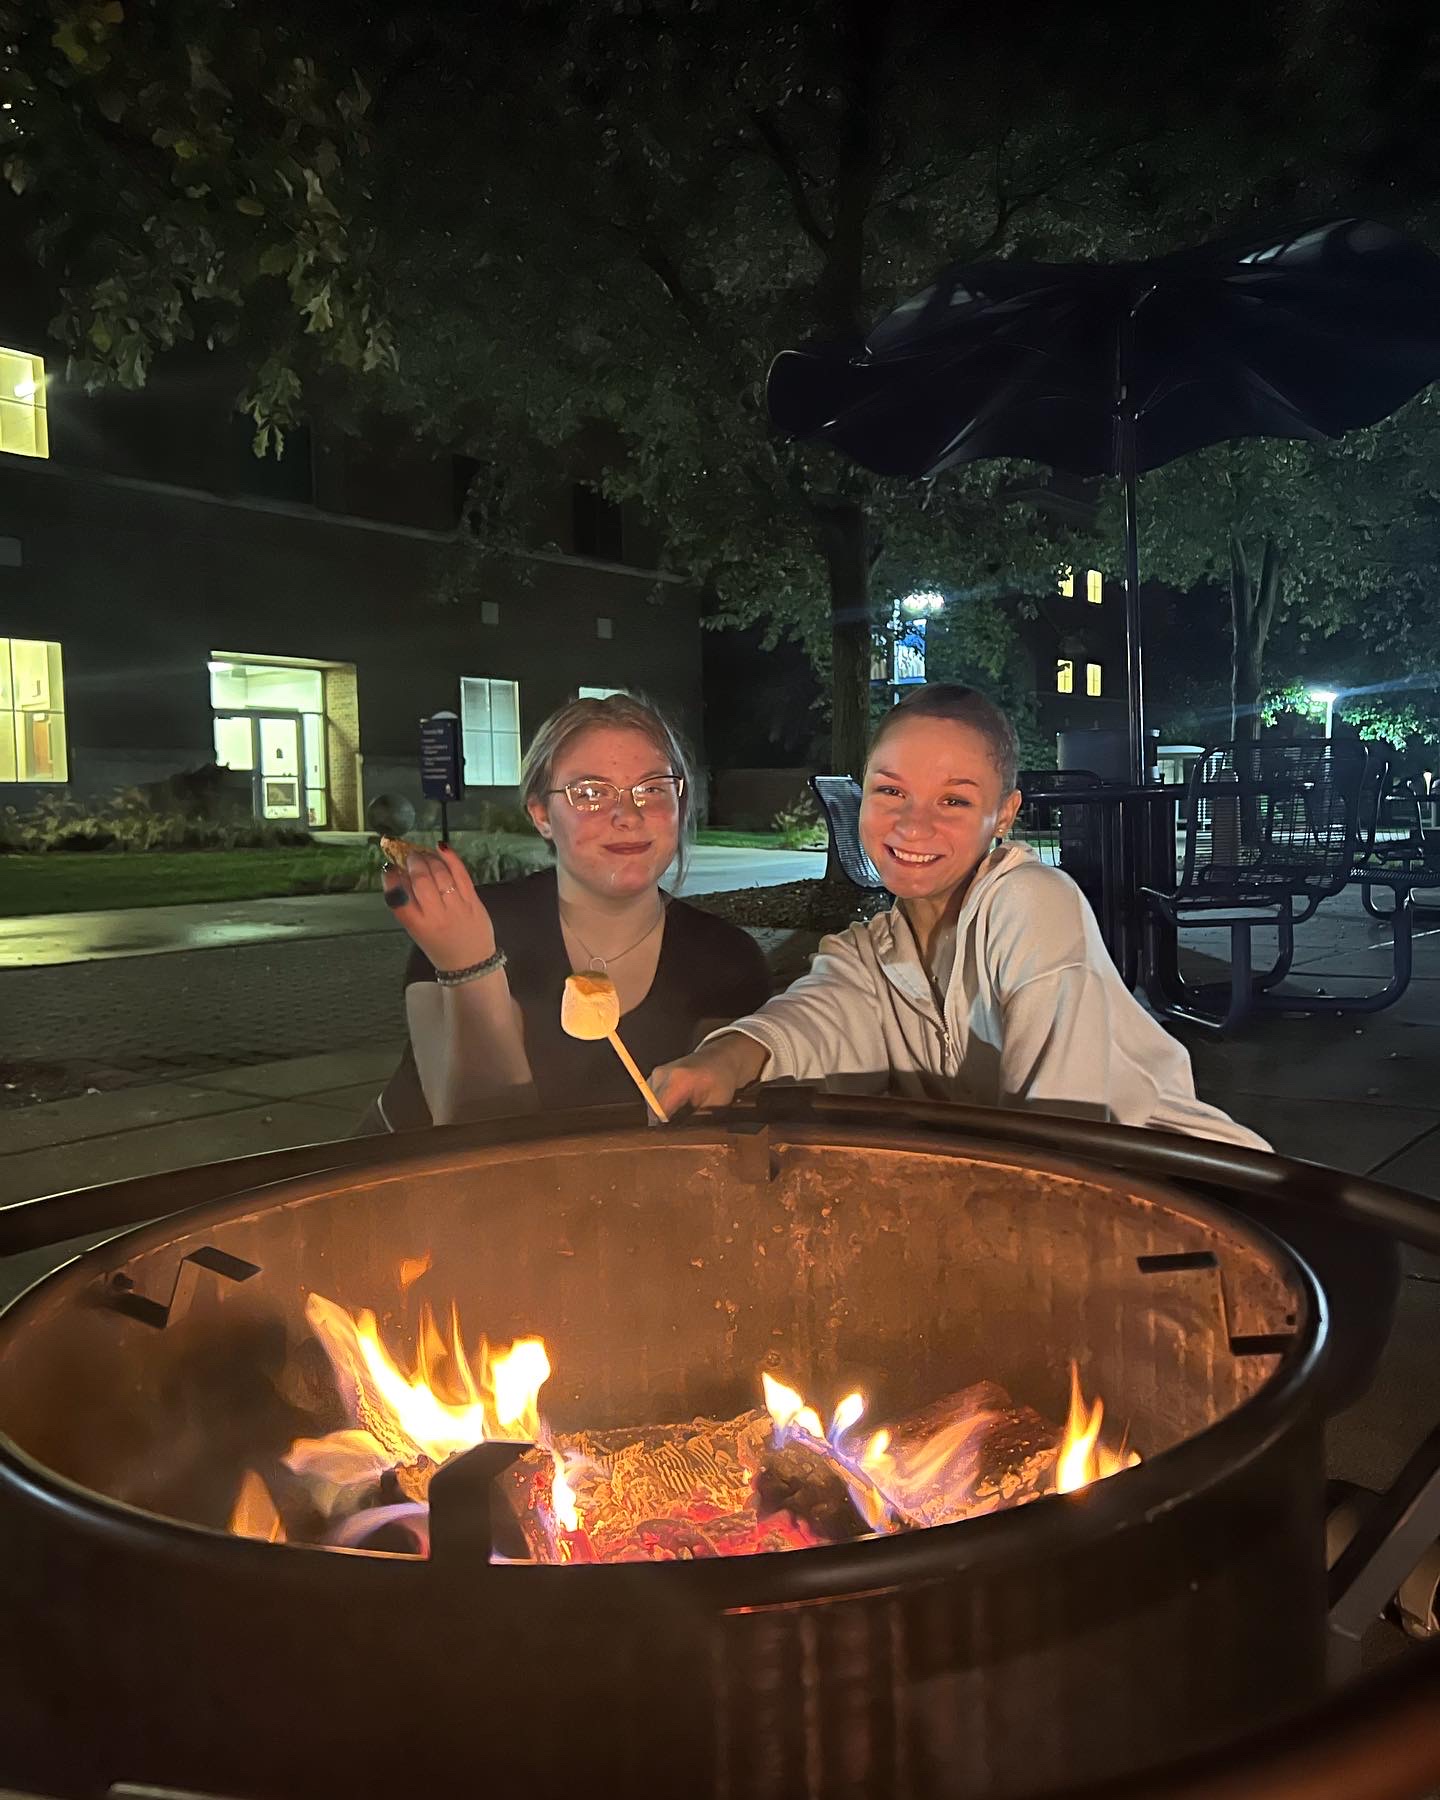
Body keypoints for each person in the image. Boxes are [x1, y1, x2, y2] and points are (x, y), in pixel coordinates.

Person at [649, 684, 1268, 1150]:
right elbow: (814, 1016)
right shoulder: (870, 954)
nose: (913, 823)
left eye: (953, 800)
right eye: (891, 791)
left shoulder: (1029, 902)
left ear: (1004, 815)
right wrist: (721, 1060)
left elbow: (1061, 1127)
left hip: (1188, 1192)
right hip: (1039, 1196)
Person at [368, 694, 771, 1128]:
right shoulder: (468, 926)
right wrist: (469, 967)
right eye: (591, 793)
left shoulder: (726, 958)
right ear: (541, 814)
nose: (628, 815)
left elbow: (708, 1137)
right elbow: (477, 1135)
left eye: (652, 789)